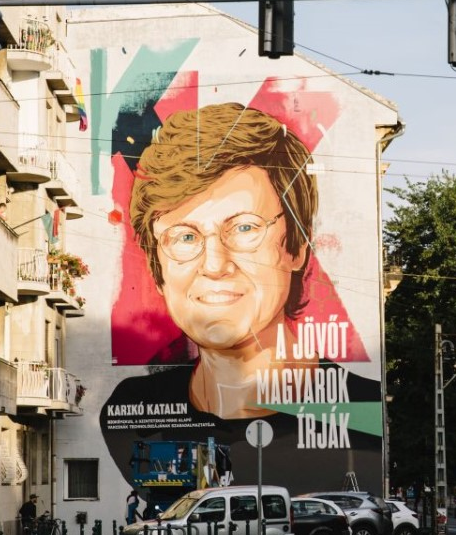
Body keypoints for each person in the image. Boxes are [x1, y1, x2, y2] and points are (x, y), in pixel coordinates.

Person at [129, 103, 318, 419]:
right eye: (185, 237)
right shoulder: (130, 414)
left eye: (245, 228)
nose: (215, 265)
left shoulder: (358, 413)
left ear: (296, 247)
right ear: (156, 268)